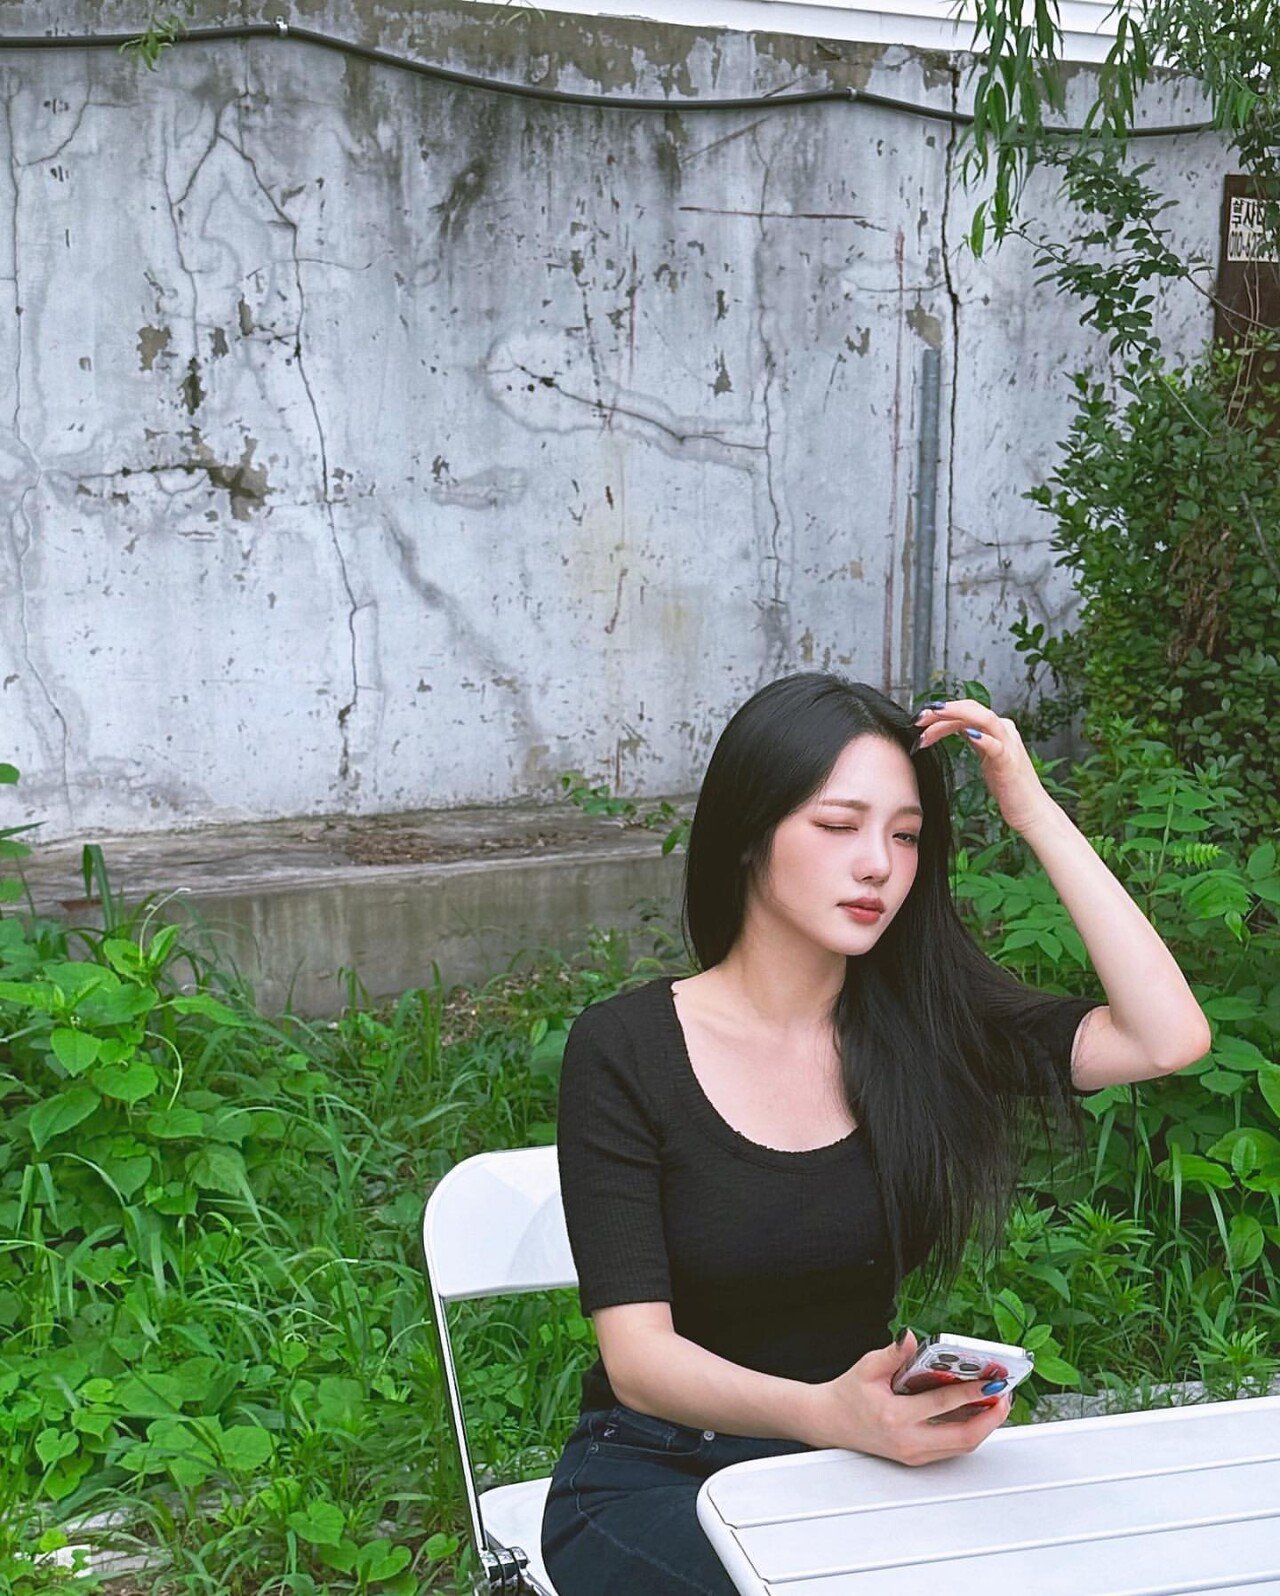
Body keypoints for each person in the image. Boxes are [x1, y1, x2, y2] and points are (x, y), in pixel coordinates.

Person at [540, 673, 1211, 1596]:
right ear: (749, 832)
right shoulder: (626, 1047)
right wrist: (829, 1414)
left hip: (859, 1468)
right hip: (662, 1473)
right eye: (838, 825)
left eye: (905, 835)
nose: (877, 866)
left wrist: (1034, 813)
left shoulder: (921, 1029)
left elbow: (1166, 1038)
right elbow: (641, 1362)